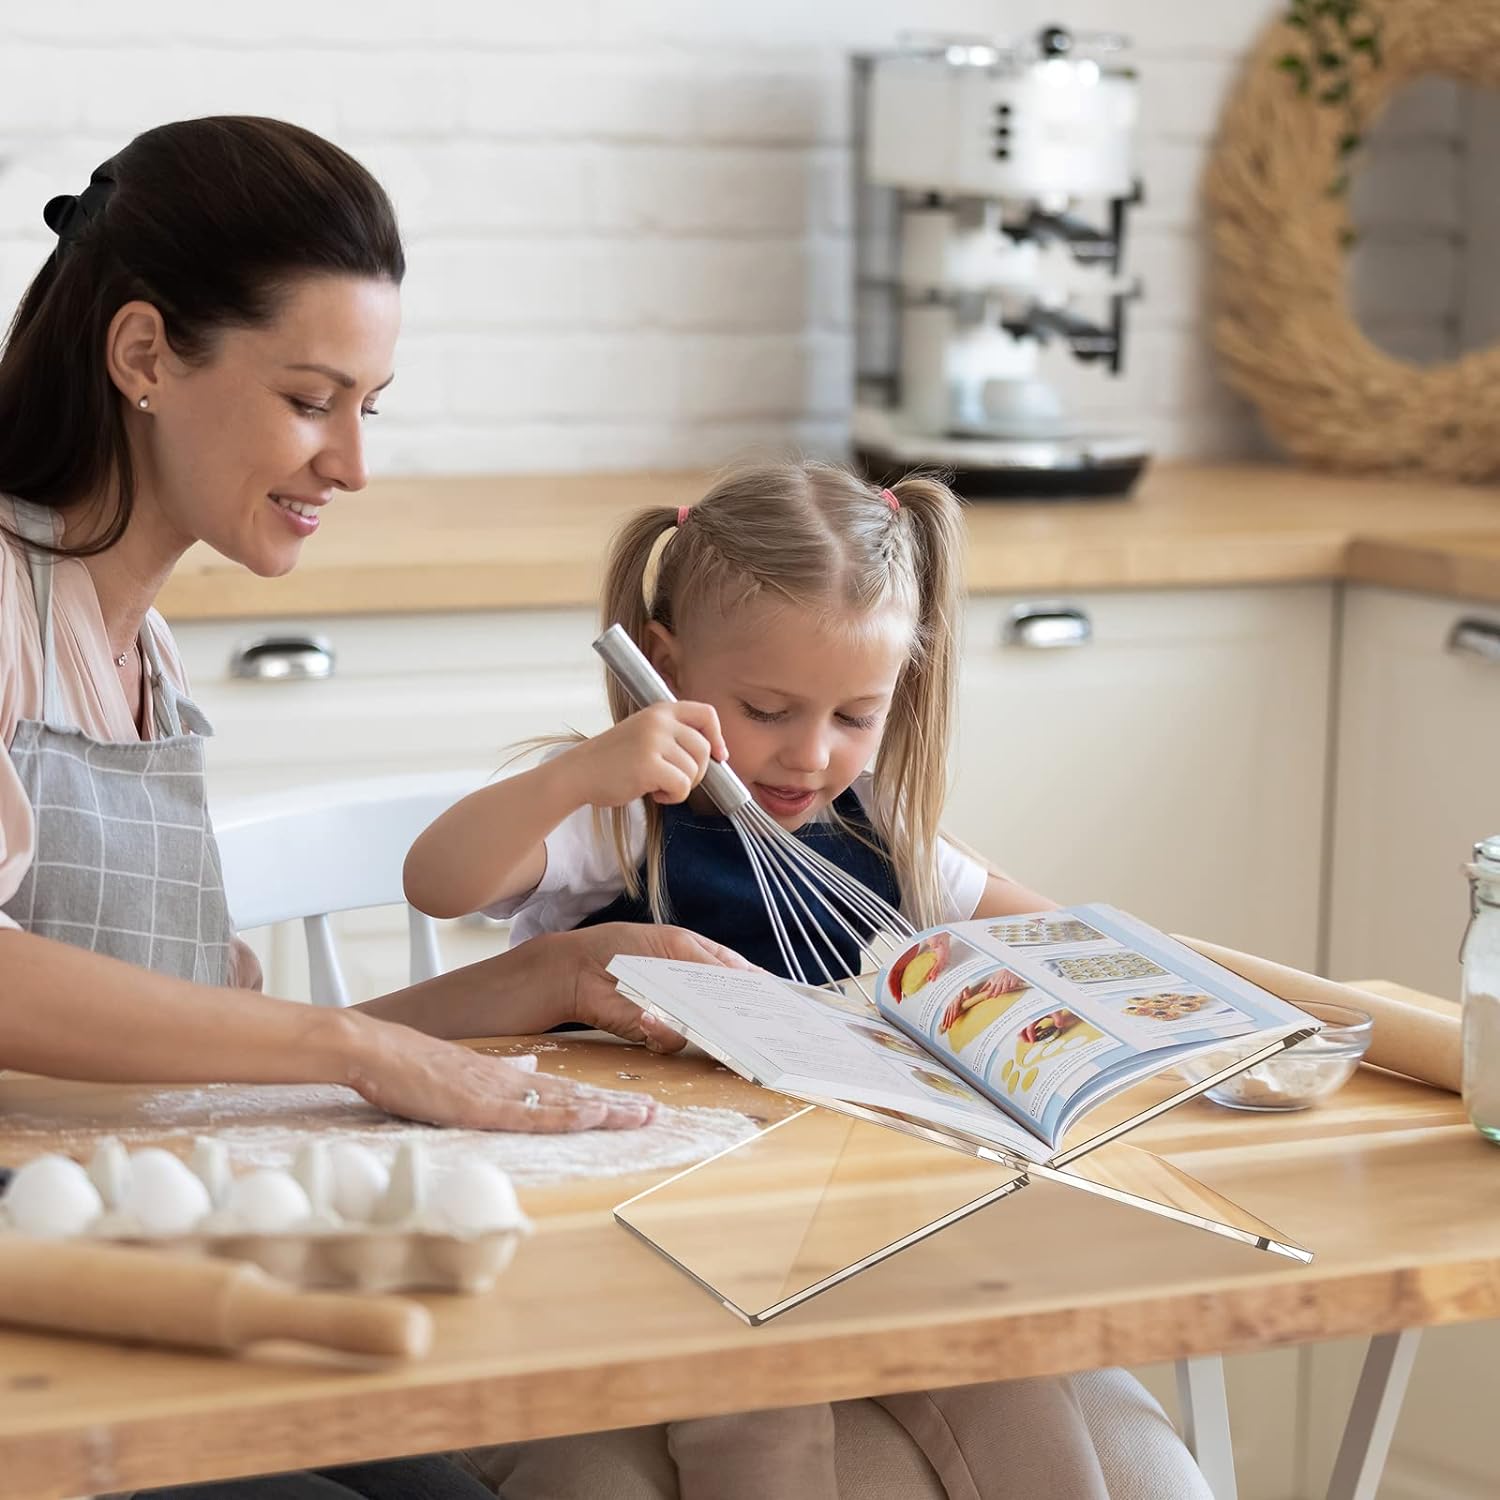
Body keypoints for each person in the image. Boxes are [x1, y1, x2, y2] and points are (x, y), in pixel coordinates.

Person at [0, 116, 743, 1500]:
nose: (351, 464)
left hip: (144, 1266)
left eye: (369, 407)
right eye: (309, 399)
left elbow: (204, 1067)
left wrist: (550, 973)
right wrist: (358, 1047)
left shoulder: (137, 643)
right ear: (145, 355)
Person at [405, 463, 1215, 1498]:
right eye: (768, 708)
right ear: (664, 665)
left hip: (866, 1223)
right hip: (668, 1241)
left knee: (1018, 1388)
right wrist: (579, 770)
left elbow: (1058, 941)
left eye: (854, 716)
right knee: (764, 1417)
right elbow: (438, 882)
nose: (810, 754)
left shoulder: (888, 835)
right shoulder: (622, 815)